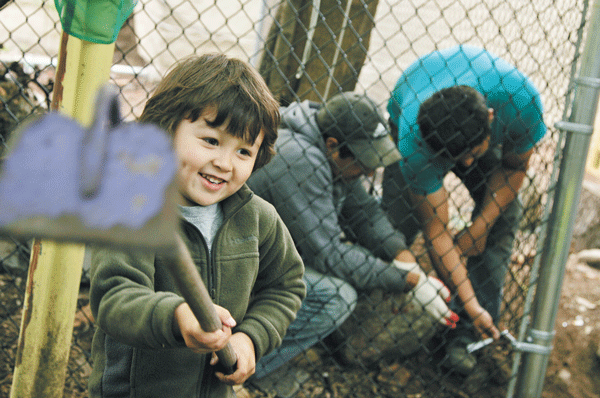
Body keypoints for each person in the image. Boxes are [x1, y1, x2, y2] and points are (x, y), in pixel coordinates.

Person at [87, 53, 306, 398]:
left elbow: (285, 286)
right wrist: (178, 317)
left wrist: (250, 339)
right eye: (211, 141)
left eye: (244, 152)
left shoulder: (258, 219)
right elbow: (114, 298)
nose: (224, 163)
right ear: (166, 128)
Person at [246, 92, 459, 395]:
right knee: (336, 296)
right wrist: (408, 280)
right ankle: (247, 362)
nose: (371, 171)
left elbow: (365, 213)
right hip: (232, 261)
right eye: (364, 162)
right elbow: (329, 255)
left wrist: (404, 258)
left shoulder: (325, 146)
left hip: (257, 252)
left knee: (352, 272)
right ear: (333, 146)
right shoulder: (300, 159)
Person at [382, 44, 547, 376]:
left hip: (469, 124)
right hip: (421, 123)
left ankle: (467, 333)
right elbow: (436, 231)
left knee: (502, 217)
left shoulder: (521, 103)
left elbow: (514, 167)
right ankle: (380, 314)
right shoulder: (415, 139)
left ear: (490, 118)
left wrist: (480, 227)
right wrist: (466, 294)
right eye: (457, 159)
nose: (466, 165)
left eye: (472, 154)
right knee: (392, 229)